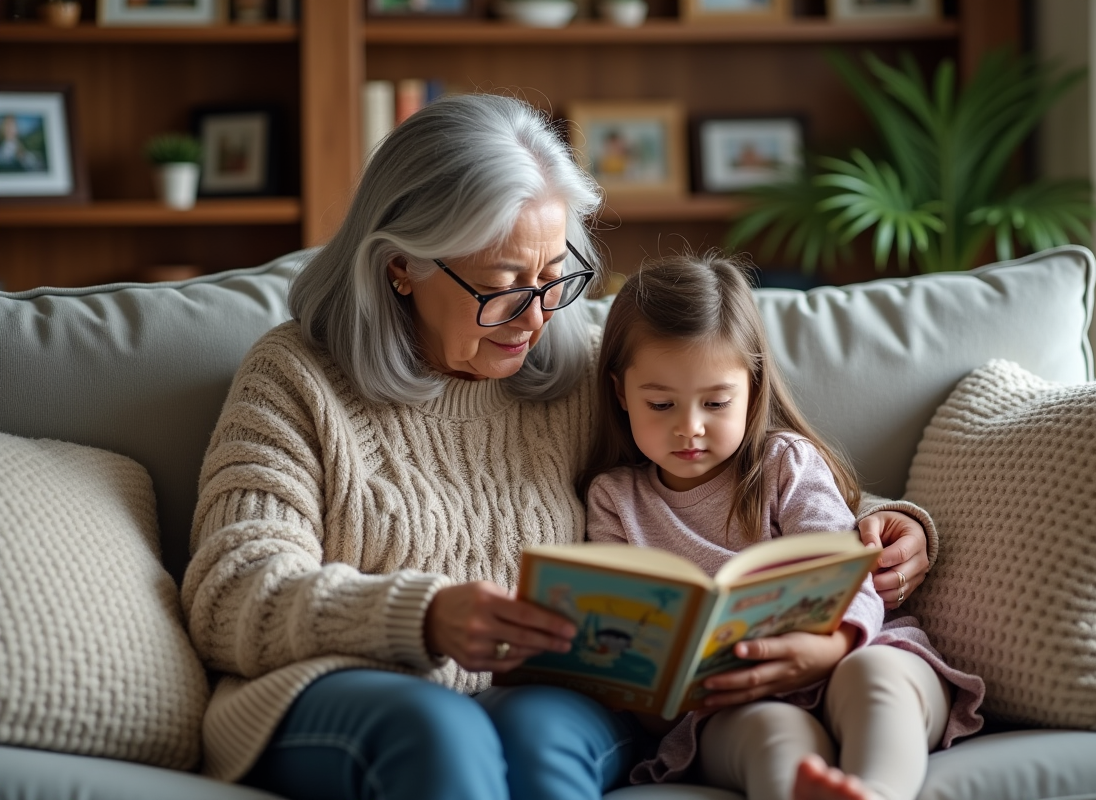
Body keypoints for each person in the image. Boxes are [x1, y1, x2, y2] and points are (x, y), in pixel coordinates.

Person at [180, 93, 938, 800]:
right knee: (442, 732)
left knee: (544, 744)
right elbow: (228, 592)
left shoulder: (570, 367)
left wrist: (885, 524)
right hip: (345, 681)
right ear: (400, 266)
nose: (535, 317)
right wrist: (422, 616)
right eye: (504, 285)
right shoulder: (296, 378)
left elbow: (728, 469)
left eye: (554, 278)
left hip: (545, 693)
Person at [577, 252, 986, 800]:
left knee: (875, 680)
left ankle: (878, 793)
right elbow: (623, 652)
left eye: (716, 402)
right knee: (772, 733)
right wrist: (651, 691)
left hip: (852, 655)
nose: (689, 428)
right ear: (621, 393)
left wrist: (830, 648)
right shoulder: (614, 501)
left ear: (752, 388)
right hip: (732, 702)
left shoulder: (784, 464)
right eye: (661, 403)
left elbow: (848, 576)